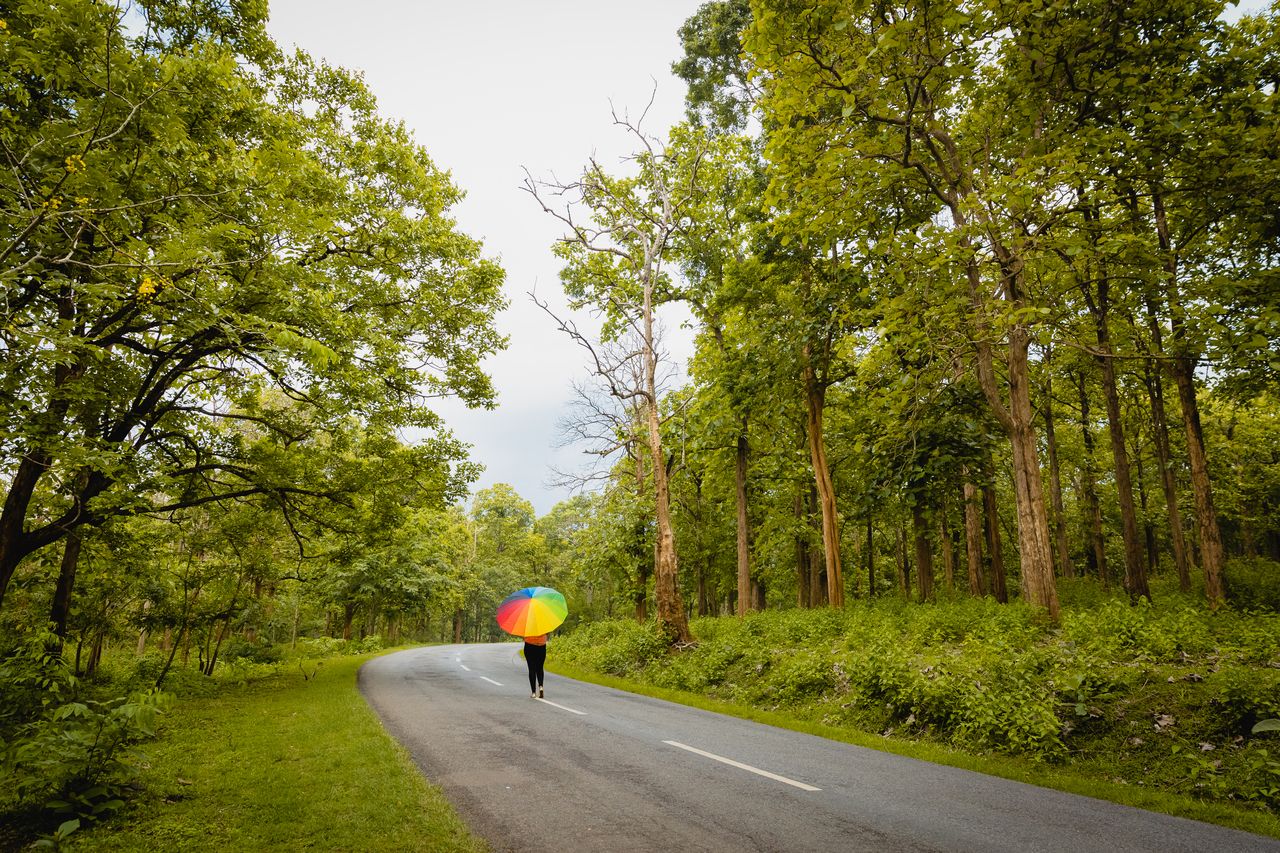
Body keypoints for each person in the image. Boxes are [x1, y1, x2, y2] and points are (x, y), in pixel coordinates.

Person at [523, 633, 547, 698]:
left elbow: (524, 634)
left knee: (531, 669)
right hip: (542, 645)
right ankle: (541, 686)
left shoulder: (527, 624)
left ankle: (533, 693)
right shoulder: (543, 623)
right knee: (540, 667)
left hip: (529, 645)